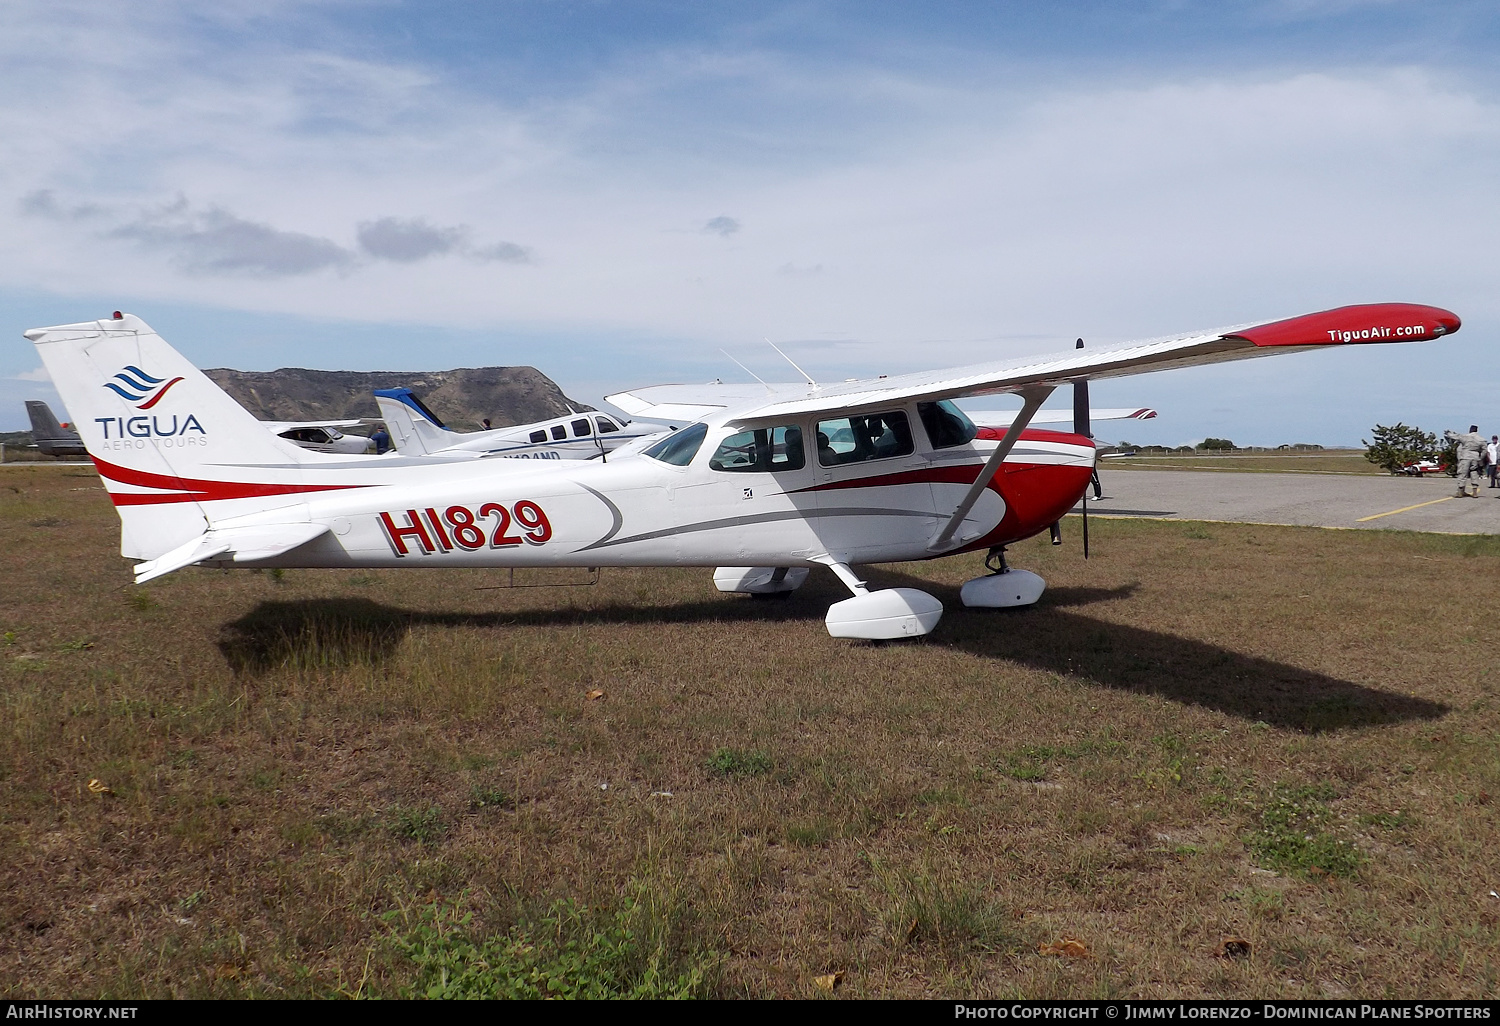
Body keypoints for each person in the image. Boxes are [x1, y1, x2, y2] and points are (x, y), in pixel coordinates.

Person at [1445, 425, 1486, 497]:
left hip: (1466, 456)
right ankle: (1475, 491)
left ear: (1470, 430)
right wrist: (1480, 458)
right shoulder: (1481, 439)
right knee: (1474, 473)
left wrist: (1448, 433)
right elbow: (1484, 450)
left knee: (1462, 473)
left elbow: (1455, 436)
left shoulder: (1465, 437)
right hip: (1475, 457)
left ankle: (1460, 491)